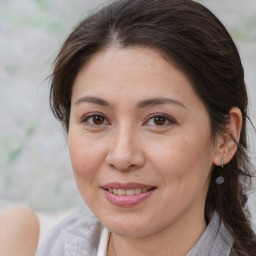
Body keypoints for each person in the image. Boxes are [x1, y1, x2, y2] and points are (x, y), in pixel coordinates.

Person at [36, 0, 256, 255]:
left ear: (226, 138)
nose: (122, 156)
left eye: (159, 120)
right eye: (96, 119)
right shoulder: (45, 244)